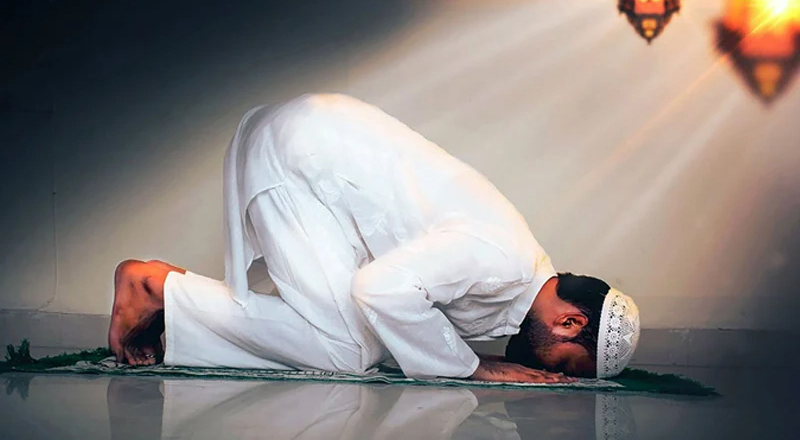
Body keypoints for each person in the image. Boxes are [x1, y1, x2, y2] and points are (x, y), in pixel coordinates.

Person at [108, 94, 640, 383]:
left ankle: (171, 313)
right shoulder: (503, 260)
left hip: (311, 153)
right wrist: (473, 367)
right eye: (564, 365)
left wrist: (461, 360)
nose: (545, 371)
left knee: (362, 340)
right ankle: (155, 289)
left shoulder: (514, 270)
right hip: (302, 156)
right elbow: (380, 289)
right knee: (348, 349)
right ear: (571, 323)